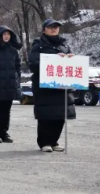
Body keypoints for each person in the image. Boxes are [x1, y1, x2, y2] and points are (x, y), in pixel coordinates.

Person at [28, 19, 75, 152]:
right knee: (46, 115)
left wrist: (71, 59)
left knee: (60, 116)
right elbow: (33, 64)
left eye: (56, 27)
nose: (54, 29)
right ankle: (44, 142)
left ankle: (54, 141)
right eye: (50, 27)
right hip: (45, 87)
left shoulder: (64, 45)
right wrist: (53, 60)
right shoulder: (38, 45)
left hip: (61, 87)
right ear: (44, 30)